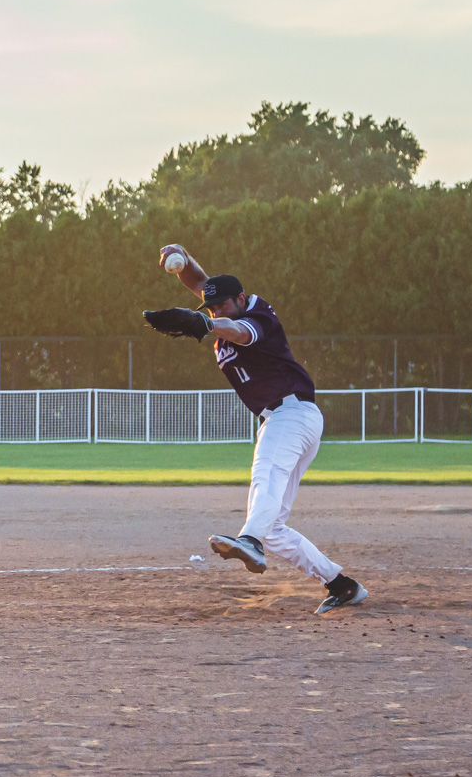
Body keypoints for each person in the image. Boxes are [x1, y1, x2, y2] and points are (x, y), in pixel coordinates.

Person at [147, 245, 366, 614]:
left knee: (266, 476)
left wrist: (205, 323)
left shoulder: (257, 315)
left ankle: (249, 540)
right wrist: (183, 259)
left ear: (242, 298)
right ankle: (341, 584)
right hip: (281, 419)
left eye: (222, 306)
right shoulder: (224, 308)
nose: (216, 311)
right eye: (210, 309)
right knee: (274, 528)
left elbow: (237, 330)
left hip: (292, 413)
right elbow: (204, 285)